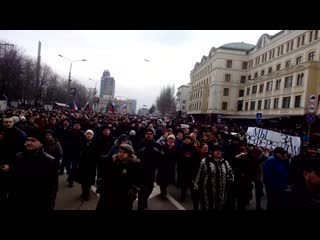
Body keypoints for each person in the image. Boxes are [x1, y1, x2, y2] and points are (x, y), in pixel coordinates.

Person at [9, 129, 59, 209]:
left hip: (39, 201)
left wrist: (50, 205)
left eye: (33, 140)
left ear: (41, 143)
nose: (28, 143)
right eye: (27, 140)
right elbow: (13, 181)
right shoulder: (19, 157)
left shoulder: (49, 161)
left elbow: (52, 187)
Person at [96, 144, 141, 210]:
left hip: (123, 197)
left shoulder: (133, 165)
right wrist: (100, 186)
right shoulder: (112, 161)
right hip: (107, 194)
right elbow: (103, 175)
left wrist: (133, 192)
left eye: (124, 153)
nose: (121, 154)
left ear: (129, 154)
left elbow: (137, 180)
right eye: (120, 152)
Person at [193, 145, 234, 211]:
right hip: (208, 192)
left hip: (221, 192)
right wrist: (196, 186)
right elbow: (198, 174)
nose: (219, 152)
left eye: (220, 151)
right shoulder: (205, 161)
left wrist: (230, 179)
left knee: (219, 207)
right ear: (212, 152)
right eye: (216, 150)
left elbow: (231, 173)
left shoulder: (225, 162)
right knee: (208, 207)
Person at [135, 128, 163, 210]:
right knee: (142, 191)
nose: (149, 135)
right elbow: (135, 154)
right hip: (141, 170)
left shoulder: (156, 145)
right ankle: (141, 207)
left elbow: (160, 158)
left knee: (149, 189)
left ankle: (144, 201)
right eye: (147, 133)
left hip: (151, 171)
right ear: (145, 135)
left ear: (153, 135)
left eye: (150, 133)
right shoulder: (140, 144)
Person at [76, 130, 98, 201]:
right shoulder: (81, 142)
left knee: (88, 181)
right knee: (83, 181)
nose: (89, 135)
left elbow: (97, 154)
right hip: (82, 165)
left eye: (90, 134)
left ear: (92, 136)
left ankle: (87, 194)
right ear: (85, 135)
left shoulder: (95, 143)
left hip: (91, 166)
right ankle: (83, 192)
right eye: (87, 134)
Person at [64, 121, 84, 187]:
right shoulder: (69, 132)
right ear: (73, 126)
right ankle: (70, 175)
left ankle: (71, 181)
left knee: (74, 167)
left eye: (78, 125)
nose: (76, 126)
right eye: (75, 125)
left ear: (80, 127)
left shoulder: (82, 134)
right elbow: (65, 142)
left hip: (77, 154)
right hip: (69, 153)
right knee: (67, 166)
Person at [177, 135, 197, 202]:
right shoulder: (181, 147)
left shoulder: (194, 148)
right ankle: (183, 196)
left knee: (192, 184)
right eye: (186, 139)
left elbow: (195, 159)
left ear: (191, 141)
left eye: (188, 139)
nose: (187, 140)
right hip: (183, 168)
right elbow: (179, 158)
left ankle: (193, 196)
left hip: (191, 169)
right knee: (184, 184)